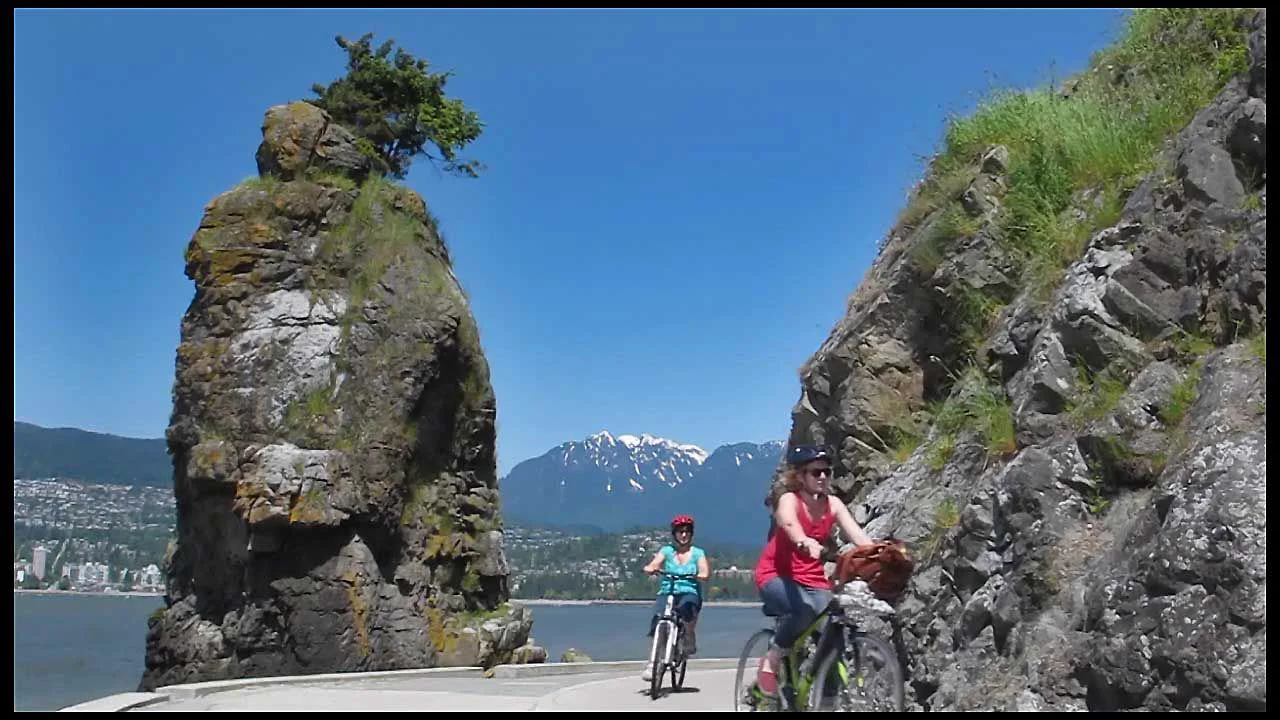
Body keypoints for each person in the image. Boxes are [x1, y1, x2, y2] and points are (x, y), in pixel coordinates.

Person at [750, 444, 875, 698]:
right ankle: (773, 656)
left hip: (813, 579)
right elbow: (787, 521)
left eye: (826, 472)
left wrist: (876, 552)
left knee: (833, 630)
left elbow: (858, 535)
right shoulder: (790, 499)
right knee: (804, 609)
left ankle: (826, 698)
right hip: (776, 575)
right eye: (815, 472)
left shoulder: (833, 504)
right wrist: (803, 540)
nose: (822, 477)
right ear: (800, 476)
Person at [640, 514, 710, 681]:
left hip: (689, 591)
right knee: (658, 619)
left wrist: (701, 574)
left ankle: (689, 638)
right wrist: (651, 568)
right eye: (680, 532)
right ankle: (653, 663)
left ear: (691, 534)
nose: (683, 535)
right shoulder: (667, 551)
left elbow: (704, 570)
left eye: (687, 532)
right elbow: (656, 563)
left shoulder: (697, 553)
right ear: (675, 534)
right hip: (667, 591)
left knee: (687, 611)